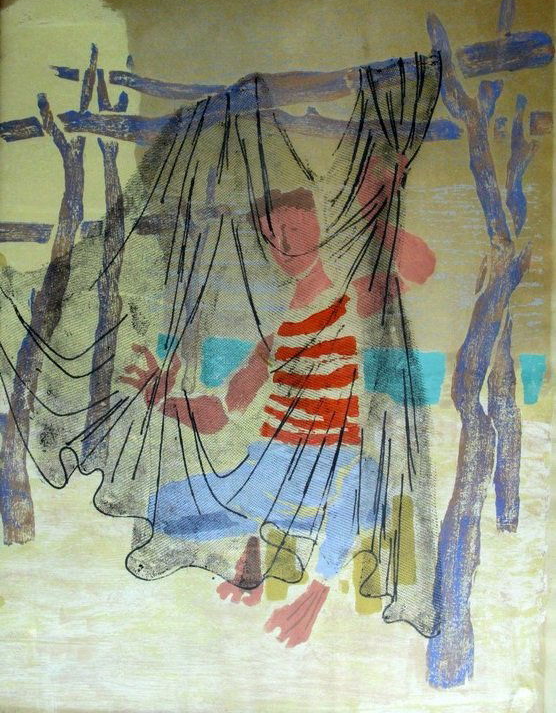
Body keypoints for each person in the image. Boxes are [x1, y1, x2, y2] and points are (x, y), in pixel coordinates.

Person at [120, 183, 435, 647]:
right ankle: (249, 542)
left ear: (318, 227)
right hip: (267, 470)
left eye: (292, 229)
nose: (283, 246)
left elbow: (420, 265)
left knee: (366, 487)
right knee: (159, 508)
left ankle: (304, 577)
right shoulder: (276, 335)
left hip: (330, 466)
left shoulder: (350, 302)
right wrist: (164, 401)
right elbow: (221, 413)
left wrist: (377, 206)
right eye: (271, 237)